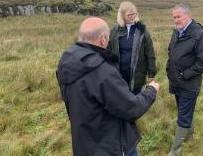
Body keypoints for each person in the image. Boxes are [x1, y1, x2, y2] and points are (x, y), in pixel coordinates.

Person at [56, 17, 159, 156]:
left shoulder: (67, 62)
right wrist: (151, 90)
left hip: (84, 144)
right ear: (103, 39)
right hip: (111, 147)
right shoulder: (102, 71)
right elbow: (131, 108)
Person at [166, 3, 203, 156]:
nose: (176, 20)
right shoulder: (177, 32)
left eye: (178, 16)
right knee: (183, 110)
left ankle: (175, 151)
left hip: (189, 84)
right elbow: (171, 51)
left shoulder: (200, 35)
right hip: (176, 81)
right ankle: (189, 135)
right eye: (174, 17)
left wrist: (185, 75)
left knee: (183, 115)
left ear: (188, 16)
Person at [108, 1, 157, 95]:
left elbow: (150, 54)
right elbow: (108, 52)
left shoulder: (142, 31)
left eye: (134, 14)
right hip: (118, 75)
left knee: (135, 103)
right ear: (122, 15)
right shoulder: (114, 31)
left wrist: (151, 74)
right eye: (129, 15)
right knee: (119, 102)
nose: (132, 17)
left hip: (137, 77)